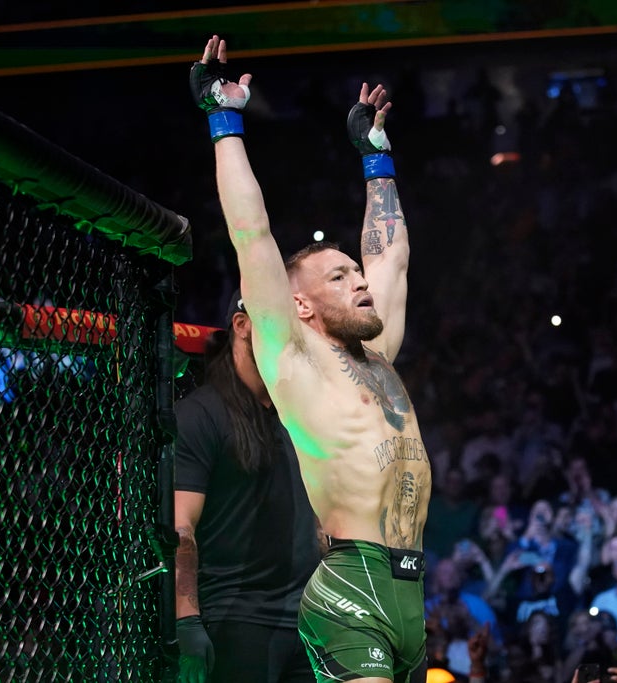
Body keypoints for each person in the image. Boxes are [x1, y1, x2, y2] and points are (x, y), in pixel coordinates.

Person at [191, 35, 431, 682]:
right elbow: (252, 234)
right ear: (299, 304)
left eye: (356, 271)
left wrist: (376, 158)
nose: (360, 280)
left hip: (412, 586)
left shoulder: (377, 352)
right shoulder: (297, 364)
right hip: (351, 586)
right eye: (339, 276)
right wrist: (224, 121)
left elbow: (392, 256)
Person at [174, 291, 321, 683]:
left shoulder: (298, 415)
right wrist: (187, 620)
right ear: (241, 325)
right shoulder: (200, 414)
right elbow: (181, 527)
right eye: (277, 320)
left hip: (308, 621)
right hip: (236, 620)